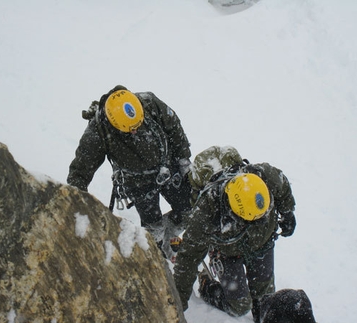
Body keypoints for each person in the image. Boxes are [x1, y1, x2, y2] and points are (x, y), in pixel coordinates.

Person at [173, 146, 297, 323]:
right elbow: (188, 258)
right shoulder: (207, 212)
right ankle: (207, 286)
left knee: (265, 301)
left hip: (262, 244)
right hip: (228, 253)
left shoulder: (263, 176)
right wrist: (178, 304)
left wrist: (287, 212)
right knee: (239, 306)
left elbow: (282, 184)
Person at [67, 85, 192, 258]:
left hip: (168, 168)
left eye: (138, 125)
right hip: (139, 184)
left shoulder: (148, 103)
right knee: (152, 225)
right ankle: (155, 249)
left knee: (188, 209)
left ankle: (169, 236)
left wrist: (183, 159)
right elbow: (80, 170)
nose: (136, 131)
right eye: (130, 129)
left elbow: (174, 128)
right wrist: (76, 201)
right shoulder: (98, 131)